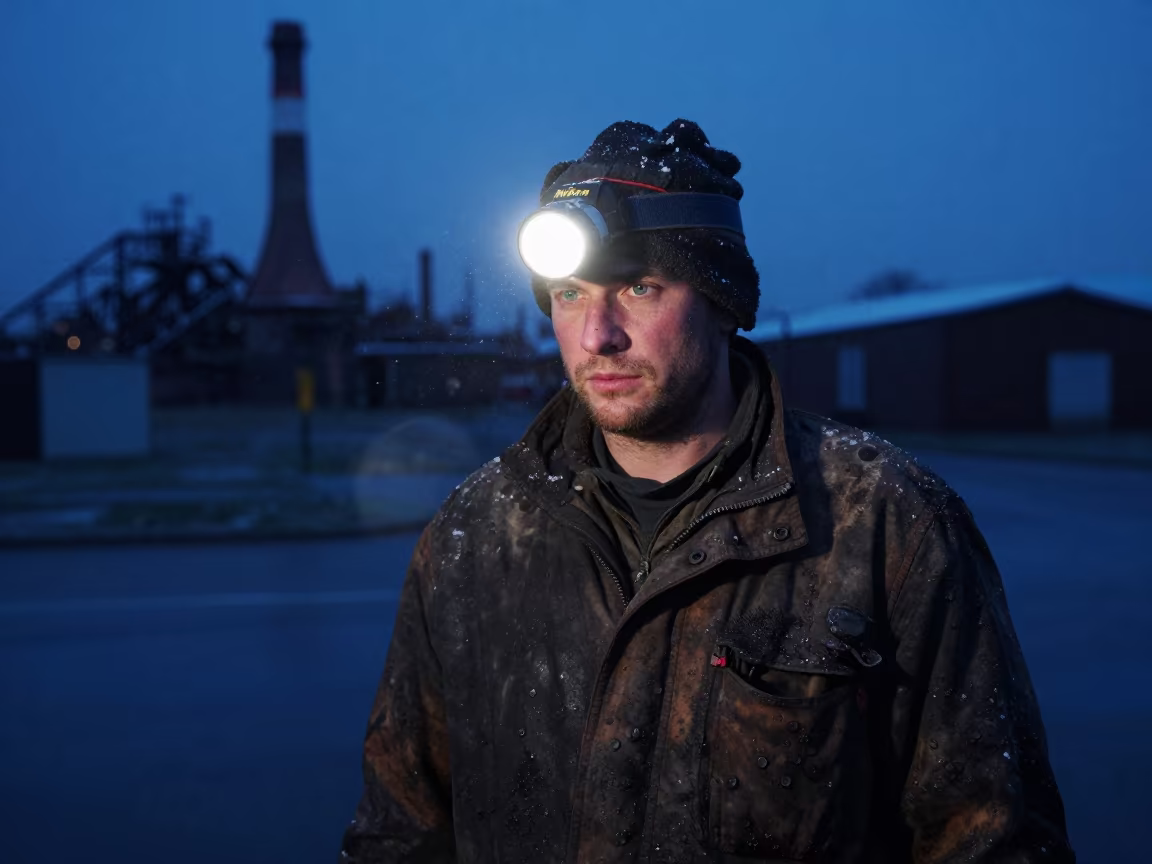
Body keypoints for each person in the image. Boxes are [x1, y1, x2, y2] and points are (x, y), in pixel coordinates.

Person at [341, 120, 1075, 863]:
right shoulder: (476, 535)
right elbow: (400, 832)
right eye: (568, 294)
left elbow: (993, 839)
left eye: (640, 287)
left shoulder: (885, 524)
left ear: (722, 301)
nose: (598, 335)